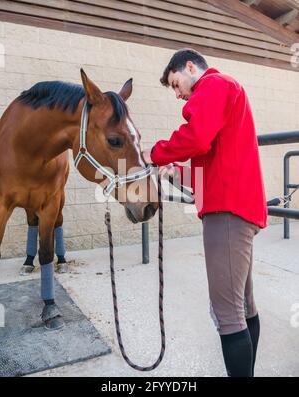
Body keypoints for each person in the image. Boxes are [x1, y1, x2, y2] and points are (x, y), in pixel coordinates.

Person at [142, 48, 268, 377]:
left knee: (227, 314)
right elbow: (210, 164)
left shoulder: (213, 85)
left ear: (190, 66)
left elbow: (196, 137)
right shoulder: (228, 92)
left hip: (226, 213)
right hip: (236, 207)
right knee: (243, 306)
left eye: (175, 83)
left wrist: (155, 153)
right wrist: (174, 173)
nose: (177, 93)